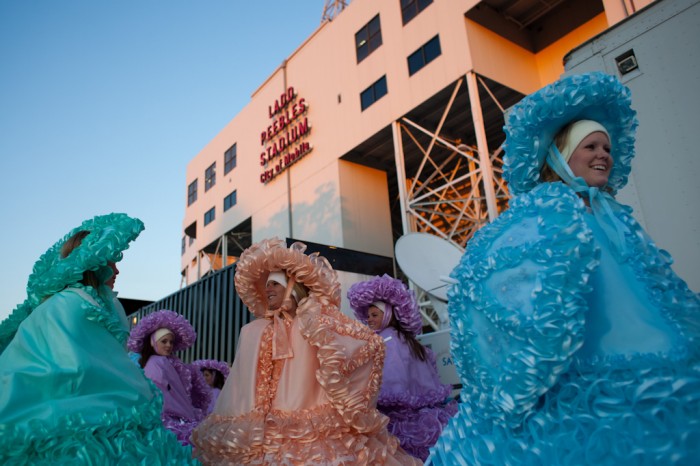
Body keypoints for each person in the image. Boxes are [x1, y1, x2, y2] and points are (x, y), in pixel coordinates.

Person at [428, 72, 700, 465]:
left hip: (657, 365)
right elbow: (499, 282)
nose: (603, 154)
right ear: (560, 154)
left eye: (606, 146)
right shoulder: (541, 215)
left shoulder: (615, 219)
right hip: (573, 374)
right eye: (590, 145)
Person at [191, 238, 420, 465]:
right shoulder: (253, 330)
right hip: (260, 430)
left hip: (311, 423)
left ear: (292, 288)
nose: (268, 288)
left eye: (275, 284)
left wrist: (335, 372)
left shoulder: (313, 321)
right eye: (267, 284)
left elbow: (369, 344)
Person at [0, 213, 197, 464]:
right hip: (67, 417)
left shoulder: (95, 304)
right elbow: (78, 368)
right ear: (92, 264)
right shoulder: (72, 304)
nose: (117, 269)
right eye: (111, 262)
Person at [348, 274, 457, 461]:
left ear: (388, 315)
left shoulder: (387, 339)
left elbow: (391, 378)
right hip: (424, 412)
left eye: (375, 315)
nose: (370, 319)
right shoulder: (405, 338)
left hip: (399, 415)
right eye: (368, 316)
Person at [128, 309, 211, 446]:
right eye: (164, 341)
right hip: (171, 421)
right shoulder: (158, 362)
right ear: (153, 342)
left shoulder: (164, 362)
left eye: (171, 342)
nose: (168, 345)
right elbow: (158, 392)